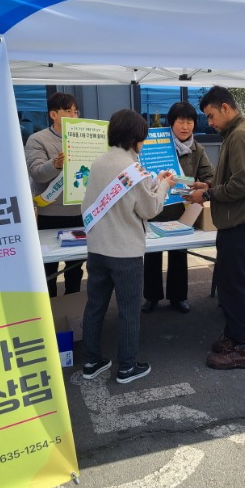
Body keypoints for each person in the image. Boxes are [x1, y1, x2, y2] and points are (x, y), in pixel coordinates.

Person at [81, 109, 175, 384]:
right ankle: (127, 367)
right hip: (125, 252)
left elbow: (98, 202)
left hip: (97, 248)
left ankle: (91, 361)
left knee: (95, 306)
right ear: (135, 138)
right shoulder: (136, 170)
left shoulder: (98, 163)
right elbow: (149, 209)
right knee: (129, 310)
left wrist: (155, 182)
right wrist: (164, 187)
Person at [188, 86, 245, 370]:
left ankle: (243, 346)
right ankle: (235, 335)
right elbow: (235, 179)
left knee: (237, 286)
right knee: (232, 285)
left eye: (210, 116)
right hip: (236, 224)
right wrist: (208, 185)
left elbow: (242, 185)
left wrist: (207, 194)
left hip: (239, 225)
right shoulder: (235, 134)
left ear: (225, 108)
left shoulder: (240, 135)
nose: (209, 123)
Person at [142, 102, 215, 315]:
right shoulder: (155, 145)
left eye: (189, 122)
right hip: (155, 207)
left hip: (181, 210)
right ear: (171, 123)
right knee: (152, 255)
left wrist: (198, 186)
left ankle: (178, 297)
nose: (185, 126)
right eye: (180, 121)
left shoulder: (197, 149)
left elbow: (210, 177)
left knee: (179, 254)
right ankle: (152, 296)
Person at [25, 92, 86, 297]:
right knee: (48, 267)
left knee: (75, 265)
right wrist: (56, 164)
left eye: (76, 112)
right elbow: (37, 173)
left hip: (79, 212)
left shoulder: (83, 138)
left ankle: (73, 302)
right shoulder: (37, 139)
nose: (73, 116)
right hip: (51, 214)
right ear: (53, 114)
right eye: (68, 111)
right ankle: (50, 307)